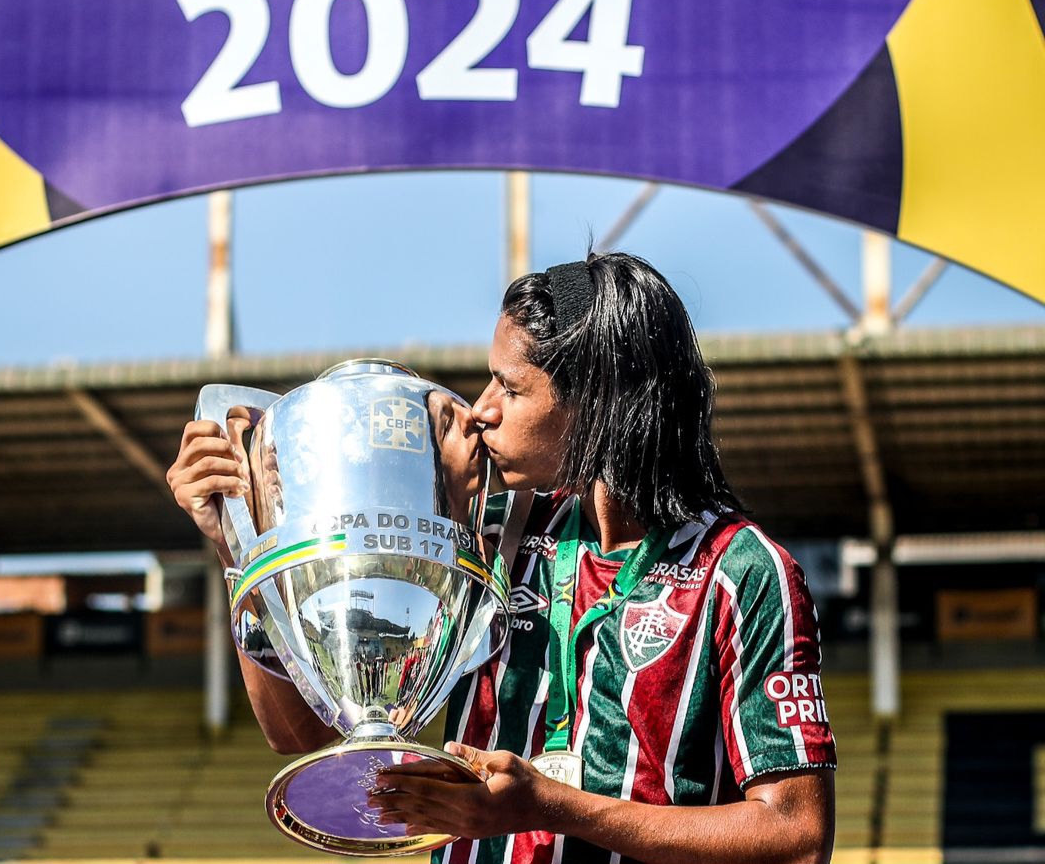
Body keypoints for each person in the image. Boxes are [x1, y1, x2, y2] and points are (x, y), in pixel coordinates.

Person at [167, 252, 836, 864]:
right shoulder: (490, 536)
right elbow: (302, 734)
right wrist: (240, 546)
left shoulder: (742, 570)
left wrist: (549, 807)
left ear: (599, 403)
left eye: (509, 388)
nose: (482, 409)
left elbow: (797, 836)